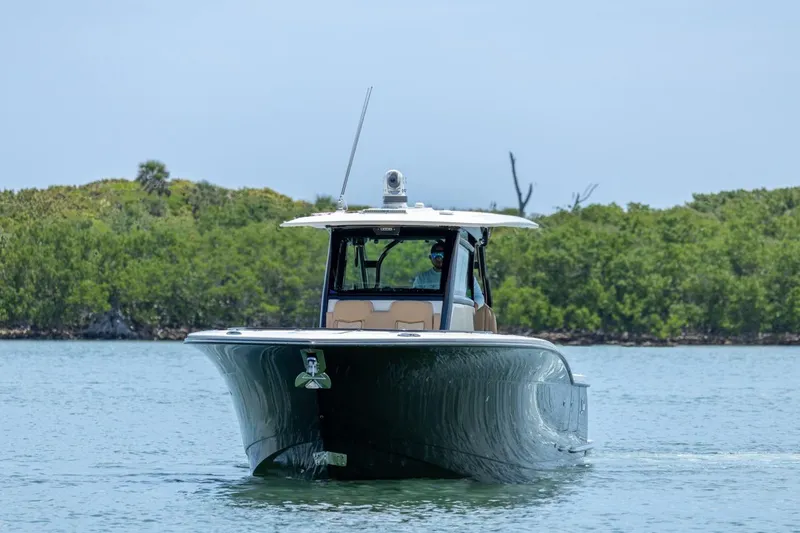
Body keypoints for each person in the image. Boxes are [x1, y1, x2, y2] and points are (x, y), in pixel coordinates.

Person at [412, 241, 485, 308]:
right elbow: (414, 299)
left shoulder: (464, 276)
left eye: (442, 255)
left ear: (449, 256)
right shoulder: (421, 278)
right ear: (430, 258)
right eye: (435, 255)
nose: (439, 258)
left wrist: (473, 308)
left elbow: (479, 297)